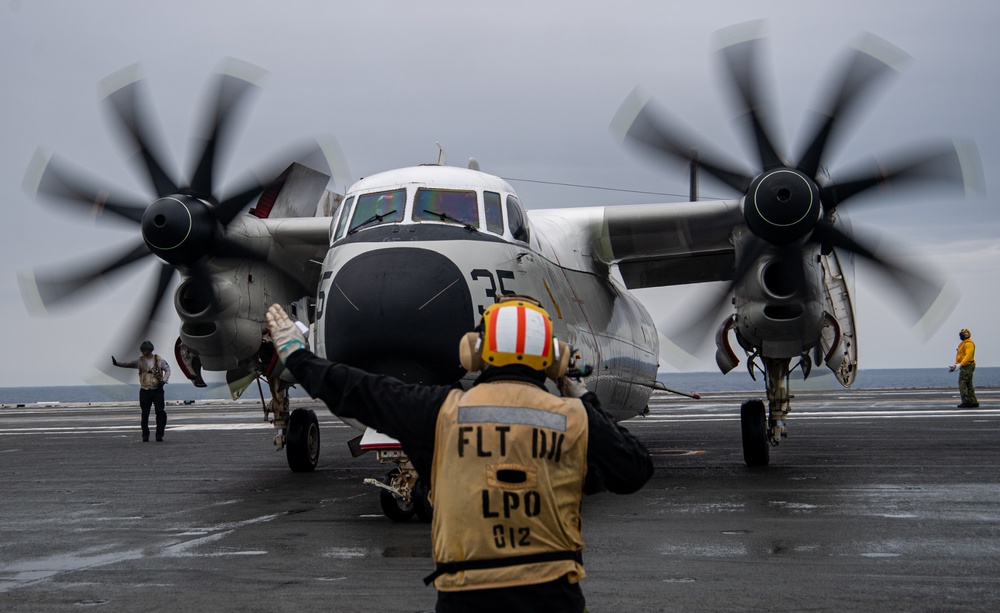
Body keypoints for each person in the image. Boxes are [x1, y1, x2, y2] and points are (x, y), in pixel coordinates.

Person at [266, 297, 653, 613]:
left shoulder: (440, 411)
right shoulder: (575, 419)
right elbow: (634, 469)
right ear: (552, 358)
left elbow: (356, 389)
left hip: (468, 599)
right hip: (554, 599)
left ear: (476, 352)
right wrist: (581, 395)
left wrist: (297, 356)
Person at [113, 340, 172, 441]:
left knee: (160, 412)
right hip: (145, 390)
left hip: (157, 389)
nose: (142, 352)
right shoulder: (139, 361)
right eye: (142, 350)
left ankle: (159, 434)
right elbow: (128, 364)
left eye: (144, 350)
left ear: (149, 350)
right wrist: (117, 363)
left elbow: (167, 370)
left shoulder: (159, 360)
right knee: (145, 413)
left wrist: (164, 380)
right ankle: (145, 435)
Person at [950, 328, 978, 408]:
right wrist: (956, 365)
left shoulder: (969, 344)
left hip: (968, 365)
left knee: (963, 382)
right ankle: (973, 401)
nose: (960, 336)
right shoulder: (963, 344)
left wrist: (960, 364)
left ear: (965, 335)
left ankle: (966, 401)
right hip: (966, 365)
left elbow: (968, 355)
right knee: (969, 383)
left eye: (961, 335)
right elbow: (960, 355)